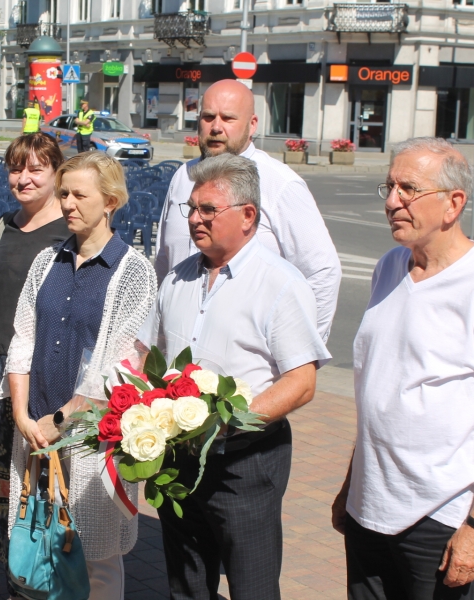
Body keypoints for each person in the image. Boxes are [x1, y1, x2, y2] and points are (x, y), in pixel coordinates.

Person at [331, 137, 474, 600]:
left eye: (408, 189)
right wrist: (351, 483)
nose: (392, 202)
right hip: (370, 506)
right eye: (389, 187)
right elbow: (380, 390)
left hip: (437, 517)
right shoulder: (389, 267)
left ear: (453, 203)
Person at [139, 153, 331, 600]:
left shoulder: (281, 284)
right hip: (179, 458)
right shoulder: (177, 280)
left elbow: (301, 382)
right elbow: (149, 355)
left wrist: (224, 425)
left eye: (208, 209)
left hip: (245, 462)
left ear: (248, 216)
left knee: (252, 586)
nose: (194, 219)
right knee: (186, 584)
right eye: (191, 208)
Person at [6, 151, 158, 599]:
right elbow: (23, 336)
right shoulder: (46, 261)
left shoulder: (133, 273)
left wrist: (62, 420)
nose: (68, 203)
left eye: (79, 195)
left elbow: (122, 366)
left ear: (110, 201)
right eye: (64, 193)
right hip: (36, 427)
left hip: (91, 436)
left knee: (95, 555)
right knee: (42, 536)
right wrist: (21, 414)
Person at [0, 133, 70, 592]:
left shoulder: (71, 228)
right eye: (16, 168)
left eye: (36, 169)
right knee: (6, 479)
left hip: (47, 374)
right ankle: (16, 576)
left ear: (57, 173)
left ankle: (52, 580)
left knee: (48, 480)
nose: (23, 178)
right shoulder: (4, 226)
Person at [154, 79, 341, 341]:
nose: (216, 127)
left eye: (228, 118)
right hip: (179, 348)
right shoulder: (183, 176)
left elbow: (322, 272)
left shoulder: (279, 183)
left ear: (252, 124)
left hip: (248, 354)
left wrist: (302, 350)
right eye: (208, 117)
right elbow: (165, 261)